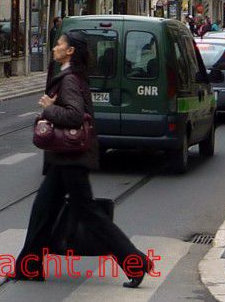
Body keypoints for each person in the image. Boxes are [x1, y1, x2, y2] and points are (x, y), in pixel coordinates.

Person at [15, 32, 153, 288]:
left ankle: (136, 262)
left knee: (90, 215)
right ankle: (29, 266)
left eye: (59, 44)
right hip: (64, 159)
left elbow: (76, 116)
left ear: (70, 52)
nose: (55, 47)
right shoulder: (72, 76)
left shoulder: (69, 80)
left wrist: (48, 107)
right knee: (42, 210)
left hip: (71, 159)